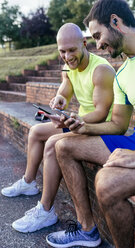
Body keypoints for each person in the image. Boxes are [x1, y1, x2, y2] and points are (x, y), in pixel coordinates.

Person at [45, 1, 135, 248]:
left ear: (116, 22)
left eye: (98, 35)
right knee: (63, 146)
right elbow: (118, 125)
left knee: (107, 182)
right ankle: (87, 230)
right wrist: (82, 126)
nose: (98, 44)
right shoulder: (122, 74)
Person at [1, 23, 115, 235]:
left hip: (97, 128)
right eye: (62, 51)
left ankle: (45, 211)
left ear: (84, 43)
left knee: (53, 145)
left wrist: (74, 118)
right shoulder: (68, 65)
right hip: (76, 121)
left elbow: (101, 112)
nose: (67, 56)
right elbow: (66, 87)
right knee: (36, 132)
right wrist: (61, 98)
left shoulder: (101, 70)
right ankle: (28, 183)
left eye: (72, 50)